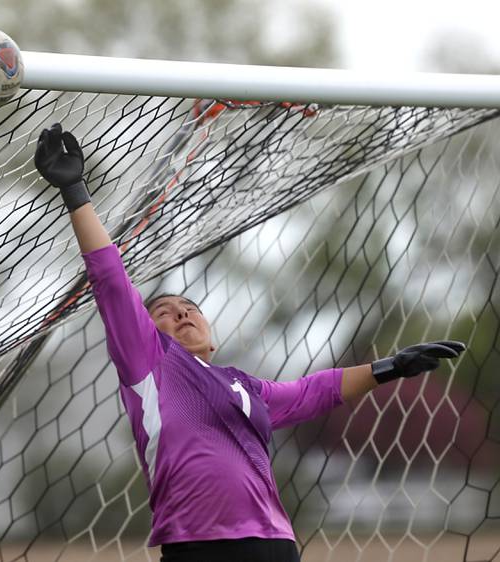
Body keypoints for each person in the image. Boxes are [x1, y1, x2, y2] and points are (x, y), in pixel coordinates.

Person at [34, 123, 466, 562]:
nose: (182, 312)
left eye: (190, 307)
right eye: (163, 311)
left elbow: (315, 391)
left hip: (276, 546)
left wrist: (392, 366)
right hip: (197, 546)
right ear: (142, 331)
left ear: (212, 338)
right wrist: (75, 191)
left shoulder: (247, 388)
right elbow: (110, 280)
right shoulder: (149, 364)